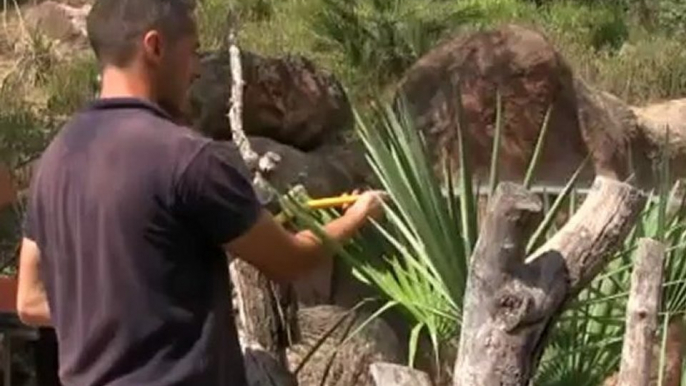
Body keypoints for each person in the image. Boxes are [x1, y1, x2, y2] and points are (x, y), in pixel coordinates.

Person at [14, 0, 386, 385]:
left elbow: (28, 300)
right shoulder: (187, 158)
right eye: (192, 53)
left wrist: (115, 318)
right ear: (154, 46)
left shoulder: (54, 162)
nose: (195, 70)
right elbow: (289, 260)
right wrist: (357, 215)